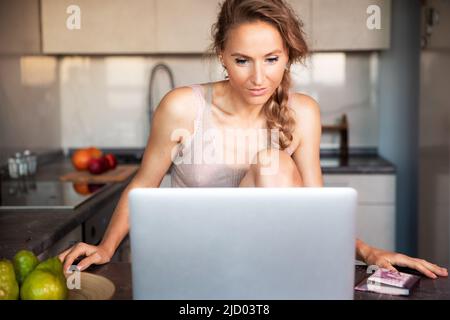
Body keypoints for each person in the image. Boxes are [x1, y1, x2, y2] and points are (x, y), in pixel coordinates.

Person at [59, 0, 447, 279]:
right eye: (242, 60)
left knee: (272, 163)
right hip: (197, 259)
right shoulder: (182, 107)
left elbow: (317, 209)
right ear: (222, 57)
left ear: (288, 57)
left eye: (272, 59)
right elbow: (144, 182)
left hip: (270, 261)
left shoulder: (303, 113)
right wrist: (106, 247)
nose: (258, 78)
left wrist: (367, 251)